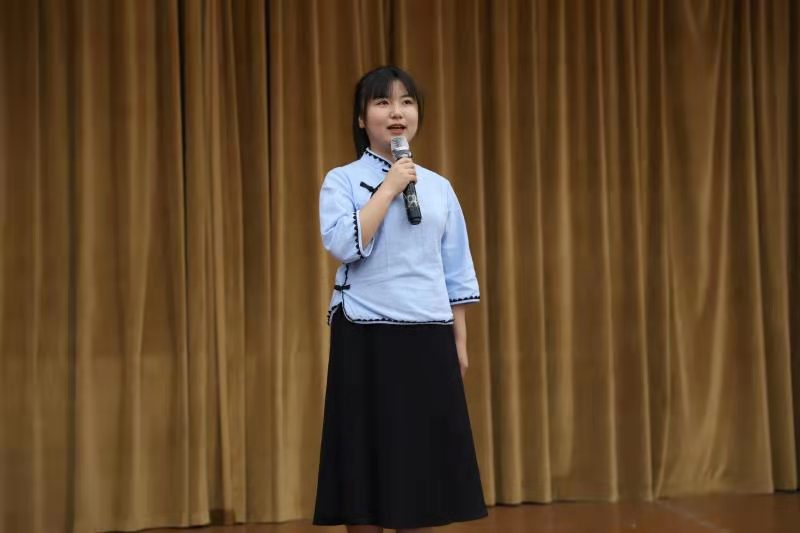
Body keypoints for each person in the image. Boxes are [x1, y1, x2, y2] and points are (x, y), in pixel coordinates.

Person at [313, 65, 487, 533]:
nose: (397, 112)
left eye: (406, 102)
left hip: (428, 335)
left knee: (420, 474)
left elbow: (456, 268)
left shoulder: (439, 187)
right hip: (365, 334)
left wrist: (459, 341)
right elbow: (344, 244)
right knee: (364, 469)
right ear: (361, 118)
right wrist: (389, 186)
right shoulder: (342, 180)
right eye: (383, 102)